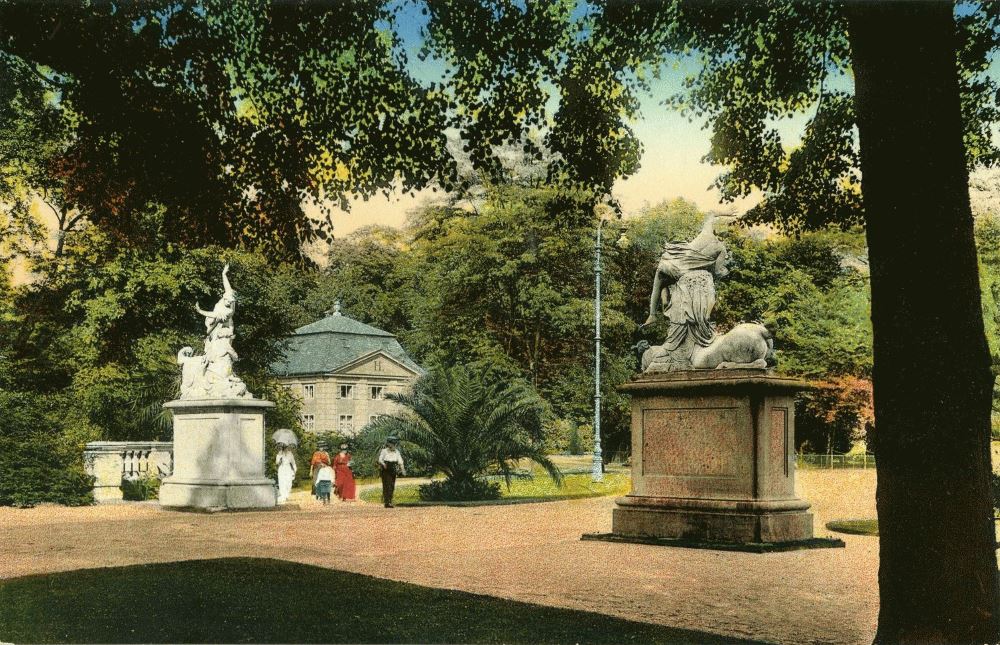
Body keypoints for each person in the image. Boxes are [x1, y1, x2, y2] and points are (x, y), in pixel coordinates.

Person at [640, 215, 730, 328]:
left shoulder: (706, 233)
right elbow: (717, 271)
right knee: (665, 282)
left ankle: (653, 314)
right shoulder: (721, 249)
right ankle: (665, 300)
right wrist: (725, 271)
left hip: (673, 261)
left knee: (659, 281)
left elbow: (711, 214)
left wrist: (726, 212)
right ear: (725, 235)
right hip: (684, 271)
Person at [377, 436, 406, 508]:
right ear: (388, 444)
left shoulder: (397, 452)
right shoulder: (384, 451)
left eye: (394, 444)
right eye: (391, 443)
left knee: (392, 485)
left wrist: (403, 470)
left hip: (393, 467)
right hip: (386, 467)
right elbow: (380, 459)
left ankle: (389, 500)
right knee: (386, 485)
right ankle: (387, 502)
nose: (393, 445)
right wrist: (383, 464)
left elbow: (400, 461)